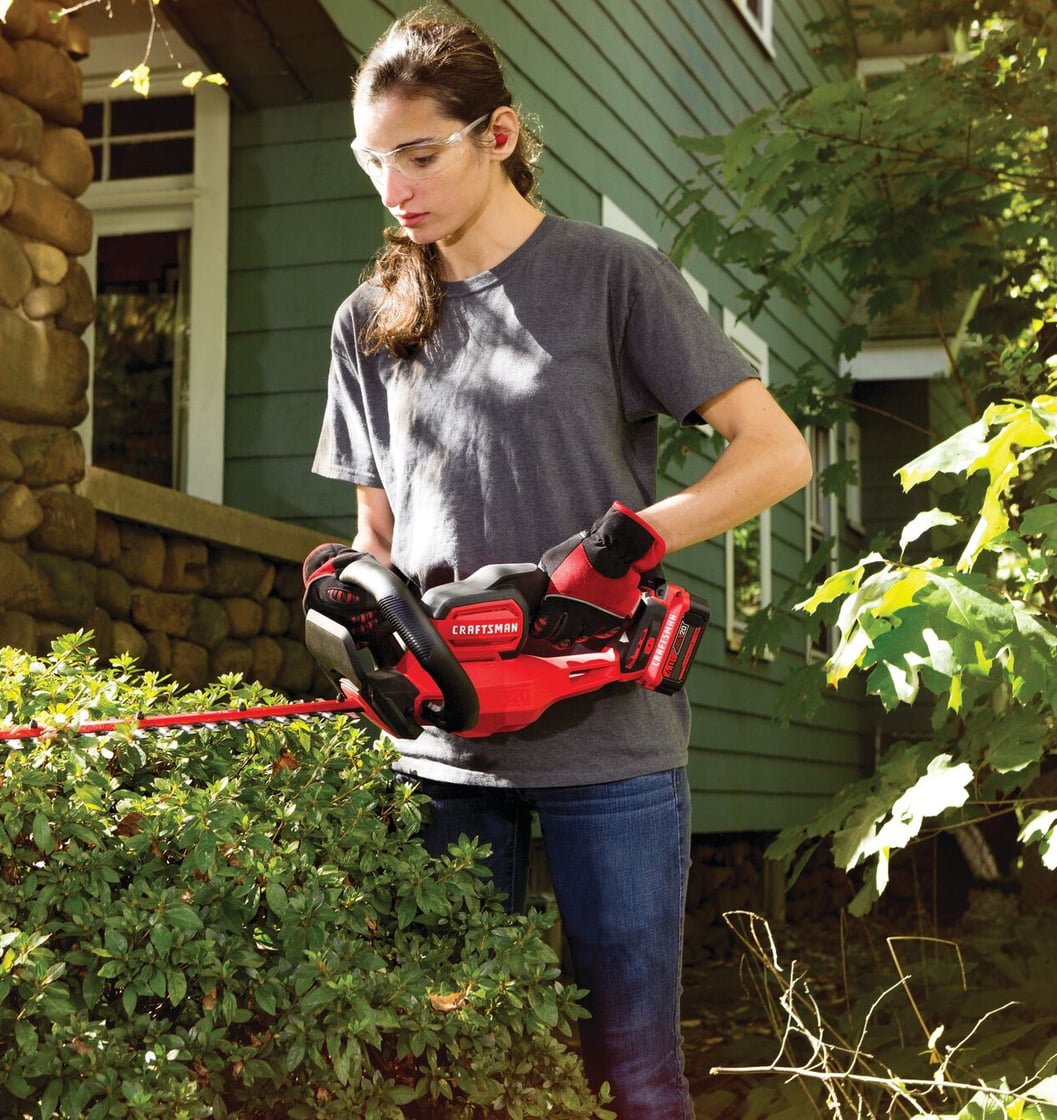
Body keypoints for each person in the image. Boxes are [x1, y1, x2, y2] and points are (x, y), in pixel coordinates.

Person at [307, 8, 812, 1117]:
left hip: (611, 742)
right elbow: (377, 537)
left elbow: (776, 453)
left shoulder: (607, 277)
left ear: (498, 134)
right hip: (443, 755)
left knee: (629, 1069)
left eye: (419, 153)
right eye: (373, 159)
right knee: (453, 1067)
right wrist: (362, 642)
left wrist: (638, 536)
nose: (396, 185)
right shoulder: (369, 320)